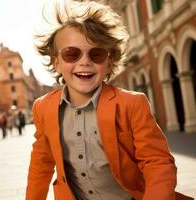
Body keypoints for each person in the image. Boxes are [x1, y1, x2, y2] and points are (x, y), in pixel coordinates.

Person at [26, 1, 193, 200]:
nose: (84, 61)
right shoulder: (43, 107)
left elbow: (157, 162)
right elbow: (41, 164)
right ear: (57, 62)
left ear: (109, 61)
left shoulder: (132, 104)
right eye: (72, 53)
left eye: (96, 54)